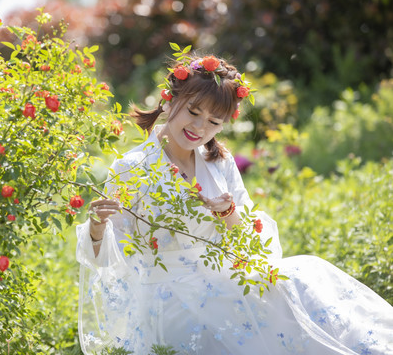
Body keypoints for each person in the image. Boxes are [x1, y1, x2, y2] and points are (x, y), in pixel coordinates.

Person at [75, 53, 393, 355]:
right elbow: (109, 263)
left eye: (214, 122)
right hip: (169, 296)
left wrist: (227, 213)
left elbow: (257, 244)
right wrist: (97, 228)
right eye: (193, 112)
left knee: (301, 273)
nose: (199, 128)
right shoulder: (133, 167)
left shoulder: (219, 161)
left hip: (224, 276)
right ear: (171, 99)